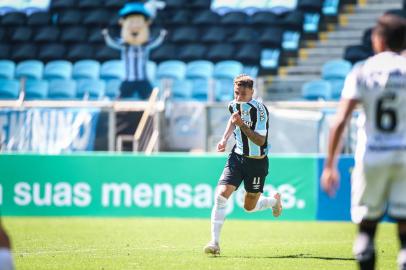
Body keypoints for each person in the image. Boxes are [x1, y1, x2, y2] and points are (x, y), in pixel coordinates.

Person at [321, 14, 406, 270]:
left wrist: (330, 165)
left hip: (371, 157)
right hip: (404, 156)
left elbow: (339, 122)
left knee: (366, 230)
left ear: (378, 39)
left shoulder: (362, 70)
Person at [204, 74, 282, 255]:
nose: (239, 97)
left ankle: (273, 201)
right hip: (237, 157)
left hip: (257, 163)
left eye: (243, 94)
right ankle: (214, 243)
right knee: (221, 195)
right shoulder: (233, 104)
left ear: (252, 92)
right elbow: (233, 121)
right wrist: (224, 139)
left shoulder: (260, 110)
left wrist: (242, 125)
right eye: (236, 93)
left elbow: (261, 140)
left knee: (249, 207)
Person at [102, 2, 166, 99]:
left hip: (143, 79)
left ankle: (154, 113)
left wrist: (162, 36)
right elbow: (112, 43)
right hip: (128, 79)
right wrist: (106, 36)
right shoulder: (124, 45)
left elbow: (156, 43)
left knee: (152, 98)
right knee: (119, 99)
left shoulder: (145, 46)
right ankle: (114, 113)